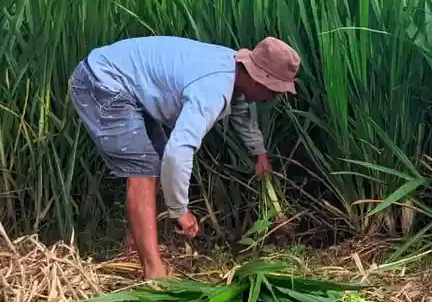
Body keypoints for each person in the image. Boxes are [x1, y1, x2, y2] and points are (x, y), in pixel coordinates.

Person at [68, 35, 300, 279]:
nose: (275, 97)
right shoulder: (213, 89)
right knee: (144, 170)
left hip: (128, 83)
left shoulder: (234, 73)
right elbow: (178, 154)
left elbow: (239, 108)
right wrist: (180, 211)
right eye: (274, 89)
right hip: (102, 81)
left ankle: (133, 249)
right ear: (258, 78)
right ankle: (154, 272)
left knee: (153, 162)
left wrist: (259, 153)